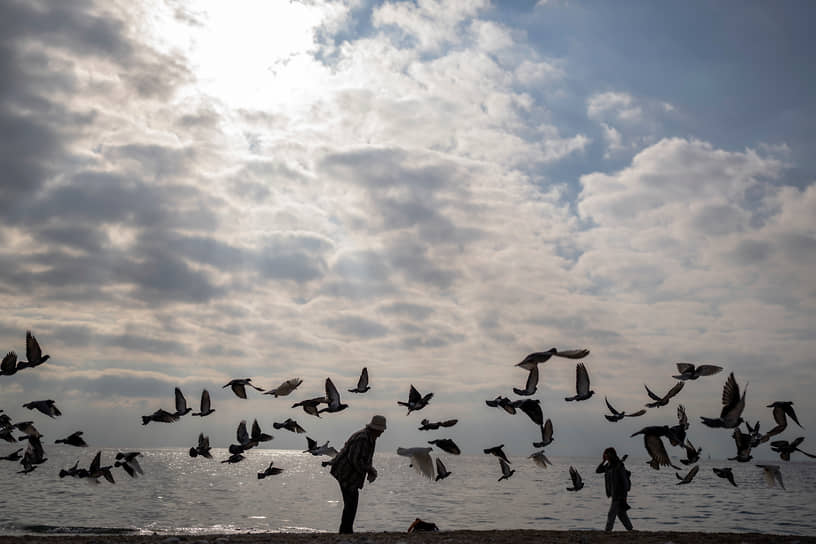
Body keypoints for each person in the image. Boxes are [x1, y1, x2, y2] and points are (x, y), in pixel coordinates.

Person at [329, 415, 386, 534]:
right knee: (351, 503)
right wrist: (369, 470)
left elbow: (367, 458)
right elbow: (354, 459)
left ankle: (346, 530)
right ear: (376, 429)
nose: (381, 433)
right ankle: (345, 531)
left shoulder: (370, 438)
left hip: (349, 473)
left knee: (351, 502)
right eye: (380, 430)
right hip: (344, 472)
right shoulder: (363, 438)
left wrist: (370, 469)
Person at [595, 446, 634, 531]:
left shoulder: (619, 465)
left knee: (611, 513)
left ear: (613, 454)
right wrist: (603, 461)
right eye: (605, 454)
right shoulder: (608, 466)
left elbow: (624, 479)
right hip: (614, 493)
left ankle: (607, 531)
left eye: (608, 454)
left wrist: (625, 492)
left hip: (619, 494)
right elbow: (597, 471)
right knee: (621, 514)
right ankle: (630, 530)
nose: (607, 455)